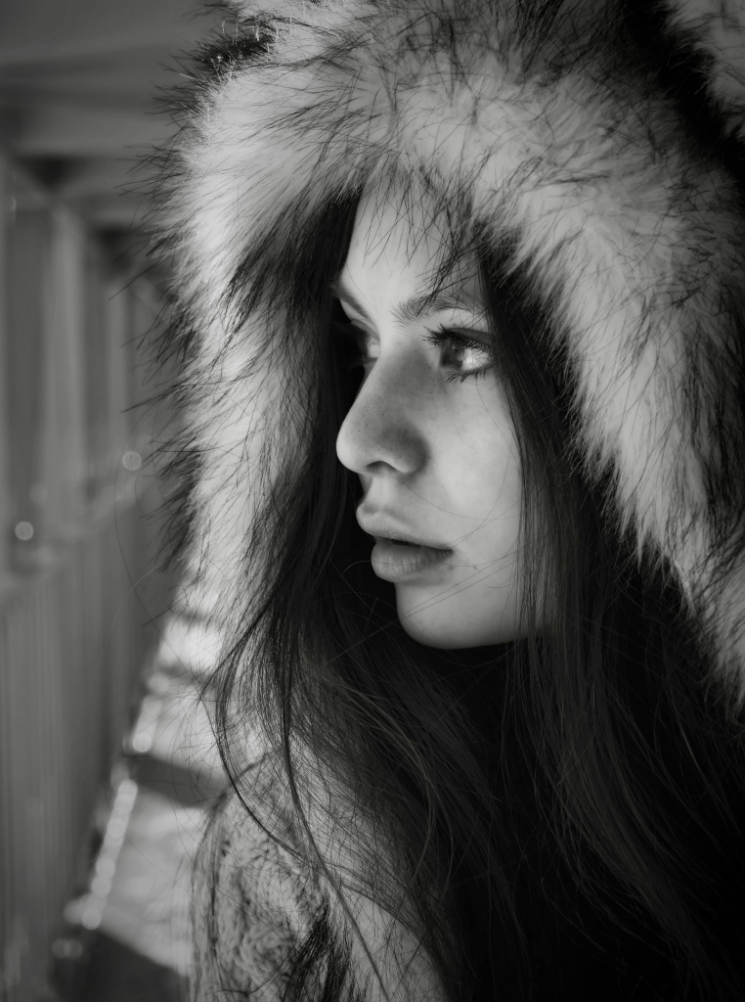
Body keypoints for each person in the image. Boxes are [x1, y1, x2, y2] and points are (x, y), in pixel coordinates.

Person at [152, 0, 745, 998]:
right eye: (358, 343)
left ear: (674, 404)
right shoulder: (290, 881)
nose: (357, 439)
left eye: (462, 347)